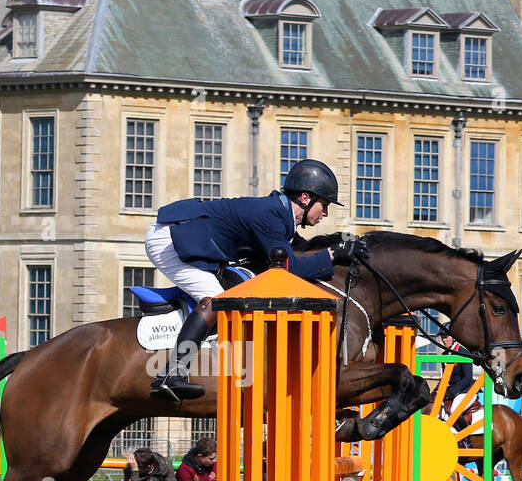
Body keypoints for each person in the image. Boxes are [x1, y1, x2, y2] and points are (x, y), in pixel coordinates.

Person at [144, 159, 369, 402]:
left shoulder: (280, 216)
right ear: (305, 199)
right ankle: (171, 374)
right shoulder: (271, 215)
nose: (325, 213)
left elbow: (301, 251)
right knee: (217, 302)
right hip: (169, 241)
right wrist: (334, 254)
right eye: (324, 205)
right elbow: (289, 268)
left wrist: (342, 244)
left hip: (191, 238)